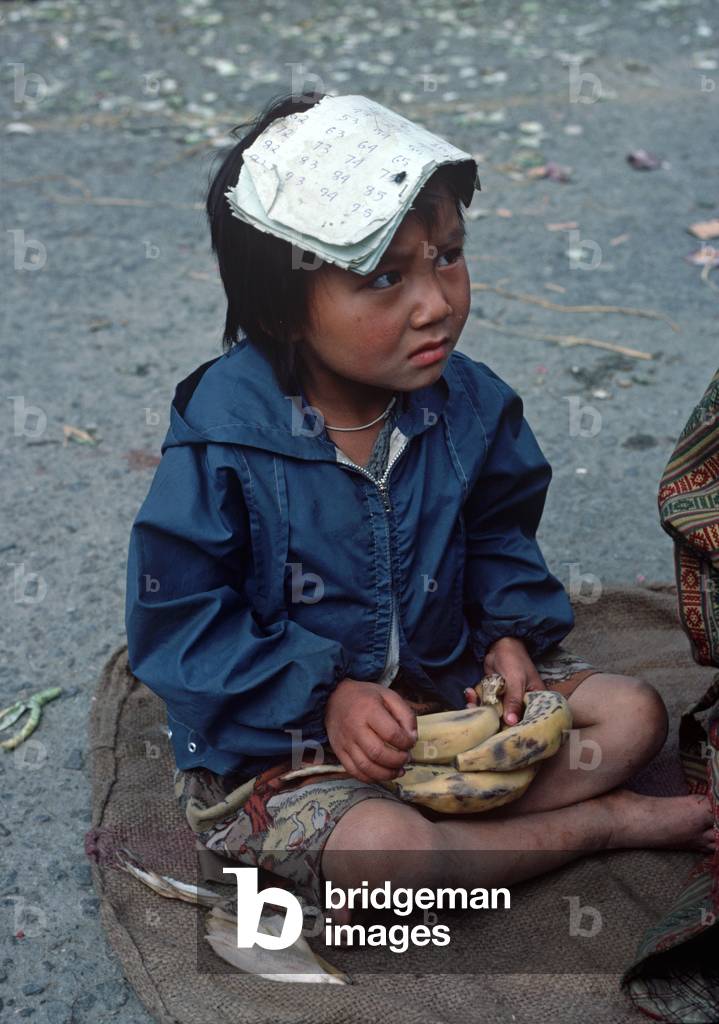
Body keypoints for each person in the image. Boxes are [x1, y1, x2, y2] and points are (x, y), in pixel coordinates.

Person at [124, 90, 714, 926]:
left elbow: (497, 530)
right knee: (383, 861)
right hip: (286, 743)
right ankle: (594, 826)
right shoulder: (226, 441)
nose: (435, 301)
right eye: (384, 278)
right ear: (278, 310)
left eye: (447, 256)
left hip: (444, 690)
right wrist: (322, 695)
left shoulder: (467, 405)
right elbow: (178, 620)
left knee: (630, 716)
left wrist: (505, 632)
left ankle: (468, 828)